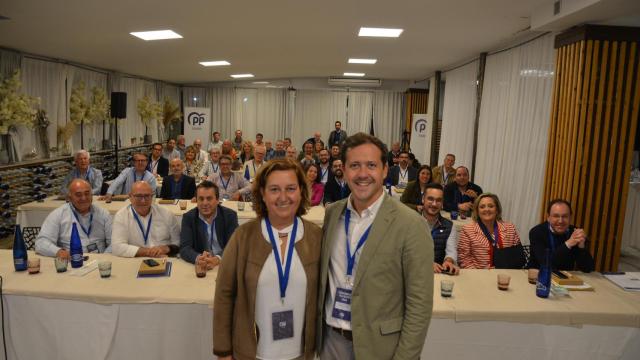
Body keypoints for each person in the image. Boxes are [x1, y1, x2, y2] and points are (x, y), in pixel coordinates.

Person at [318, 133, 433, 359]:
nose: (362, 174)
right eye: (354, 165)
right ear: (343, 170)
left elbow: (419, 305)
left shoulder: (411, 224)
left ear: (384, 170)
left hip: (381, 348)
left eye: (371, 165)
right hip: (330, 343)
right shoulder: (333, 214)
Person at [214, 159, 321, 360]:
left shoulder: (316, 237)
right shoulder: (243, 237)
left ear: (301, 192)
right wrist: (223, 351)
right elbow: (224, 294)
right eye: (274, 189)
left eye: (290, 188)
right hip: (253, 353)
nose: (283, 197)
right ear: (262, 194)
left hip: (302, 353)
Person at [35, 179, 112, 258]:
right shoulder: (58, 215)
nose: (84, 198)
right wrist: (58, 252)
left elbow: (113, 243)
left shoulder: (103, 214)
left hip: (100, 261)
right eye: (78, 195)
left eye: (87, 193)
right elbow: (41, 242)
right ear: (69, 197)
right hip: (72, 262)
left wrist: (104, 257)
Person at [111, 181, 180, 258]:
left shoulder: (166, 214)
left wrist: (166, 248)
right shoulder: (121, 216)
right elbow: (117, 247)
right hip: (136, 259)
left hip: (165, 258)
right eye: (139, 196)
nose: (143, 200)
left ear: (152, 196)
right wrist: (148, 252)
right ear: (130, 197)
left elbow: (178, 241)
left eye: (147, 196)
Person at [457, 193, 524, 269]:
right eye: (482, 207)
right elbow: (463, 260)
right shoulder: (467, 230)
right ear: (477, 211)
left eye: (491, 206)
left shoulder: (510, 228)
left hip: (506, 275)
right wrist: (482, 275)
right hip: (479, 276)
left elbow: (518, 257)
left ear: (497, 209)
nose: (487, 209)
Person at [180, 181, 238, 265]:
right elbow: (185, 248)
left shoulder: (229, 216)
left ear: (218, 200)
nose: (205, 203)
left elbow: (234, 246)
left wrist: (218, 258)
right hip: (201, 265)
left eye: (209, 198)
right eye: (201, 199)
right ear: (196, 200)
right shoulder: (189, 218)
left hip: (224, 263)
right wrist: (198, 258)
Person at [528, 199, 595, 272]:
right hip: (538, 277)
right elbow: (545, 263)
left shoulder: (575, 233)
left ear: (570, 217)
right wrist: (568, 244)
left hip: (567, 278)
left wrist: (581, 247)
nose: (560, 221)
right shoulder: (537, 232)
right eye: (556, 216)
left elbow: (588, 268)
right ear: (548, 217)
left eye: (565, 216)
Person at [421, 183, 460, 275]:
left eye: (438, 200)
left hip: (438, 273)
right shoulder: (410, 223)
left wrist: (449, 261)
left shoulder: (449, 226)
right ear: (423, 199)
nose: (434, 204)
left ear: (442, 203)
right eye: (430, 199)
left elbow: (451, 251)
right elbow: (404, 254)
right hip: (414, 273)